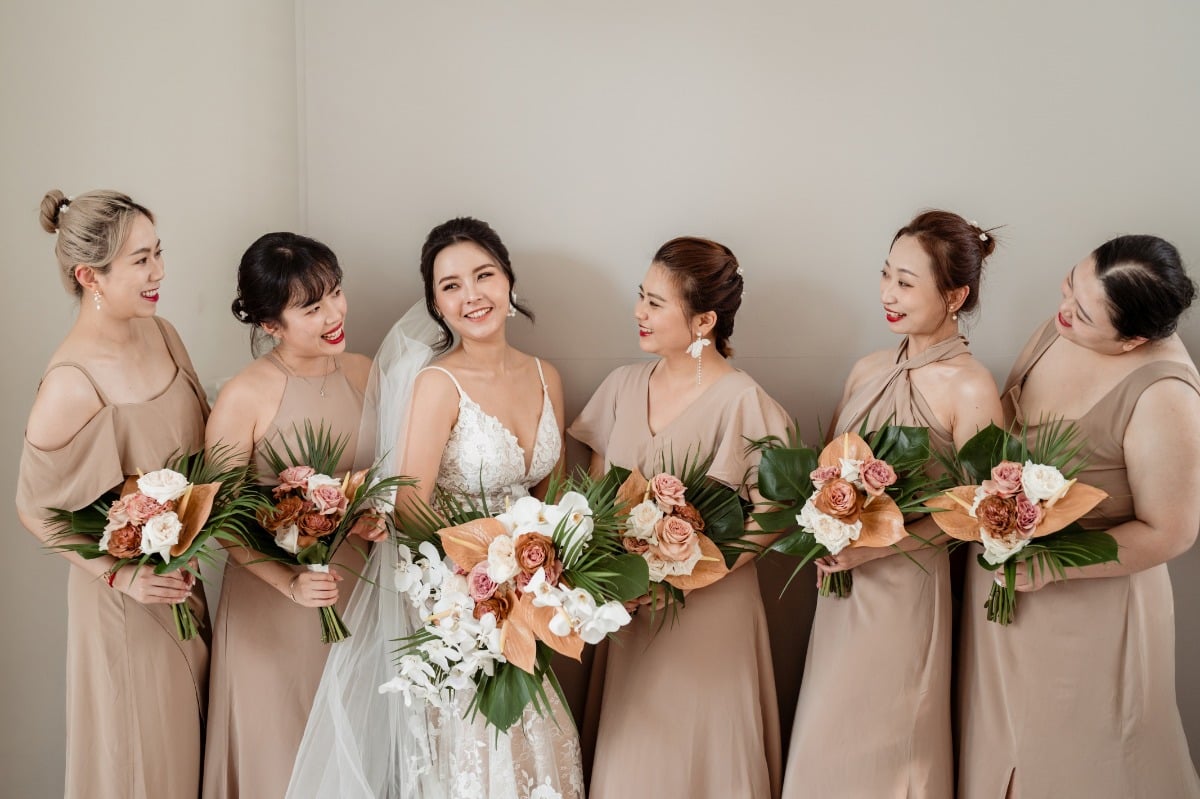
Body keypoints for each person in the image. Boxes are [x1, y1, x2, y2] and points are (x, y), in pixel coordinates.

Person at [289, 217, 583, 799]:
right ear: (436, 305)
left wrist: (539, 576)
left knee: (536, 745)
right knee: (479, 755)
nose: (471, 295)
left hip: (527, 600)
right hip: (456, 603)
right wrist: (481, 583)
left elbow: (550, 495)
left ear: (508, 281)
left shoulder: (546, 375)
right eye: (451, 286)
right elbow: (412, 507)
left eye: (484, 275)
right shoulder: (437, 384)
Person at [957, 234, 1200, 797]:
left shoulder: (1166, 395)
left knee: (1084, 764)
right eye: (1071, 283)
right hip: (1007, 593)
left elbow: (1172, 532)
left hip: (1093, 614)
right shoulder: (1062, 324)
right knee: (1002, 754)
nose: (1064, 308)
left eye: (1084, 312)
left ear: (1132, 339)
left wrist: (1054, 569)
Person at [782, 210, 1002, 797]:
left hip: (905, 593)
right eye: (886, 275)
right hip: (838, 591)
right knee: (822, 747)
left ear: (954, 295)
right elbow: (827, 470)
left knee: (889, 745)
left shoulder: (972, 387)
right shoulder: (866, 369)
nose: (887, 294)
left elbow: (981, 513)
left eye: (906, 282)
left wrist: (873, 549)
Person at [570, 236, 787, 799]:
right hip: (630, 615)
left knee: (706, 762)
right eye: (640, 296)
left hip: (710, 620)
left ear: (704, 320)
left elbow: (772, 522)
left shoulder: (745, 402)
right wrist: (611, 579)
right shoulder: (620, 386)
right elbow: (594, 502)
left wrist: (682, 578)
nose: (639, 312)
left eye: (656, 303)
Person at [16, 189, 209, 798]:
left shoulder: (165, 335)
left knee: (186, 753)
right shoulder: (71, 382)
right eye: (141, 260)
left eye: (159, 254)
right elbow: (33, 509)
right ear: (88, 275)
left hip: (184, 584)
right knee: (142, 765)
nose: (160, 273)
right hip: (124, 606)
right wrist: (123, 578)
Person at [202, 232, 378, 798]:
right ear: (271, 324)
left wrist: (375, 519)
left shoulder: (363, 372)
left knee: (354, 755)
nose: (334, 314)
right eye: (312, 307)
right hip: (272, 608)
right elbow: (221, 518)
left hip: (353, 595)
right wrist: (288, 581)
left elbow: (382, 480)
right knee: (282, 759)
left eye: (335, 293)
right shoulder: (245, 395)